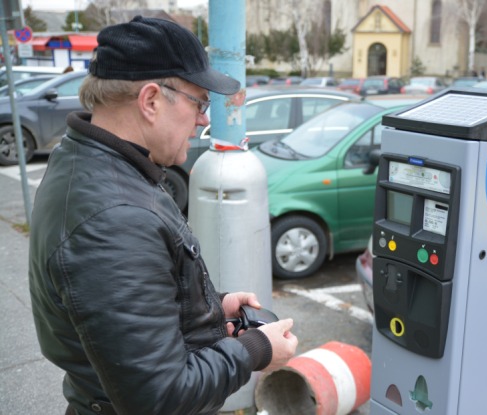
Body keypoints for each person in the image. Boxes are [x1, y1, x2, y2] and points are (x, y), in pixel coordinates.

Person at [28, 16, 298, 415]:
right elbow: (159, 396)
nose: (204, 119)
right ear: (151, 100)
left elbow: (129, 309)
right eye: (200, 103)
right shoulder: (114, 219)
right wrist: (255, 349)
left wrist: (209, 306)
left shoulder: (95, 164)